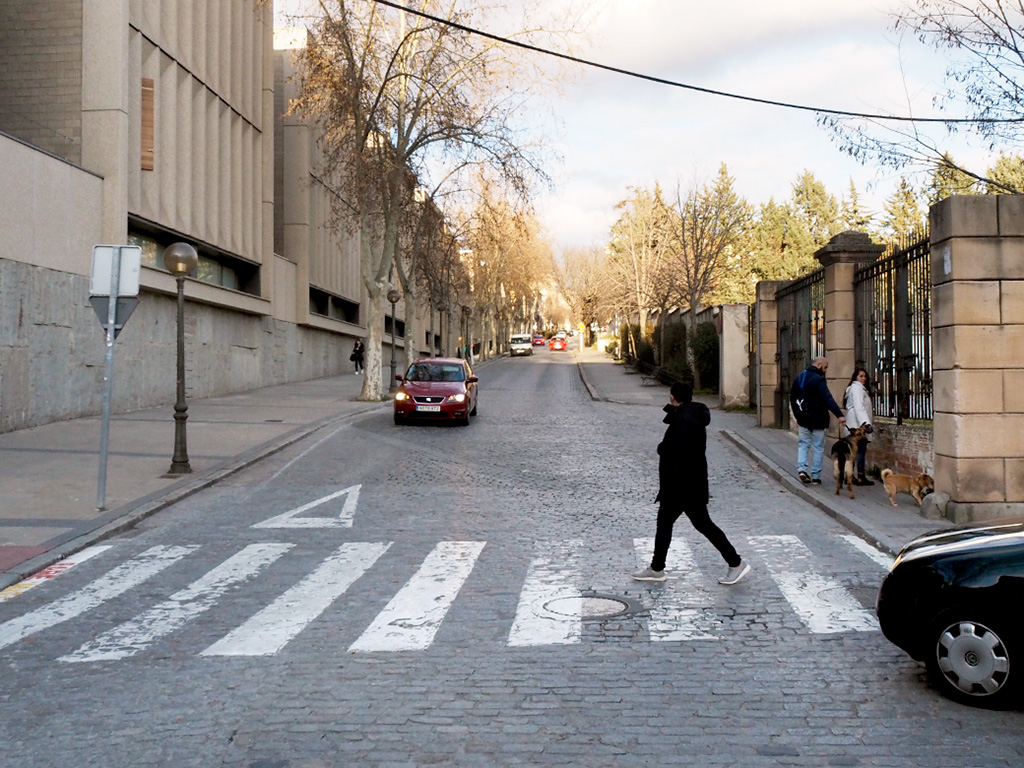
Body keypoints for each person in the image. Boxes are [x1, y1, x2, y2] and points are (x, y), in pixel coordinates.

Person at [633, 381, 750, 586]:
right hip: (682, 483)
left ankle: (736, 562)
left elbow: (677, 450)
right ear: (691, 397)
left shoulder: (684, 420)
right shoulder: (689, 415)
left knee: (703, 524)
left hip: (685, 485)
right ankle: (657, 568)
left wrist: (663, 448)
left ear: (672, 397)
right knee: (665, 523)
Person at [790, 356, 846, 486]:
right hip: (818, 419)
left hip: (803, 417)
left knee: (803, 444)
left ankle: (802, 469)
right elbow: (827, 399)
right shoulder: (819, 380)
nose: (825, 370)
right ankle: (815, 476)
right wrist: (839, 415)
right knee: (818, 447)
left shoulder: (799, 377)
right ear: (820, 365)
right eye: (825, 367)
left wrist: (797, 416)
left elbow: (793, 398)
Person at [844, 367, 874, 486]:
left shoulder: (856, 388)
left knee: (853, 451)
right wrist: (866, 423)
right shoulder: (857, 389)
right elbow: (859, 407)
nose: (864, 379)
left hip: (854, 422)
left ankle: (849, 476)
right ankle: (859, 476)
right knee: (859, 450)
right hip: (857, 425)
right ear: (855, 377)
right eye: (861, 376)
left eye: (865, 376)